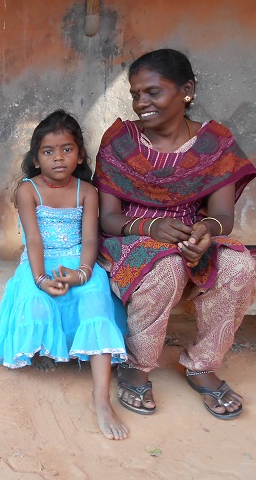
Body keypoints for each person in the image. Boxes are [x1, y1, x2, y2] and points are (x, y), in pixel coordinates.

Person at [94, 48, 256, 420]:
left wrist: (205, 232)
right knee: (165, 267)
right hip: (130, 236)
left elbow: (221, 216)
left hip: (189, 235)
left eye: (152, 92)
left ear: (187, 90)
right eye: (135, 93)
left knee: (240, 268)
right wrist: (151, 227)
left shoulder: (215, 143)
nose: (141, 102)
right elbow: (108, 218)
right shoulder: (120, 141)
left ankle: (202, 364)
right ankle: (137, 364)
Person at [0, 110, 129, 440]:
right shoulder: (28, 190)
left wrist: (82, 274)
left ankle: (101, 399)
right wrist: (39, 279)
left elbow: (91, 239)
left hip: (80, 263)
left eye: (67, 149)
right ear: (36, 160)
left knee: (94, 302)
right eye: (48, 151)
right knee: (37, 303)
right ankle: (40, 351)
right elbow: (33, 240)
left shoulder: (87, 190)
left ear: (79, 154)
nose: (58, 157)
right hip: (39, 263)